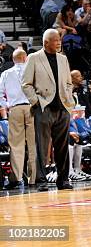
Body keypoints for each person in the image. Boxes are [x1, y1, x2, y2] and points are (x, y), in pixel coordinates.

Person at [22, 29, 75, 191]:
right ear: (46, 43)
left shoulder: (63, 59)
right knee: (42, 147)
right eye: (55, 40)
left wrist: (69, 99)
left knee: (63, 147)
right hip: (43, 108)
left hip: (63, 108)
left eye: (59, 40)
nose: (59, 42)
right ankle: (41, 180)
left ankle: (63, 180)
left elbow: (68, 83)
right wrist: (36, 102)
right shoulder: (34, 58)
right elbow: (26, 84)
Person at [0, 49, 37, 189]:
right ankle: (33, 178)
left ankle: (17, 178)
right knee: (33, 144)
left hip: (15, 109)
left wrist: (7, 106)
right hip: (31, 108)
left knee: (16, 145)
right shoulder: (32, 71)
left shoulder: (6, 73)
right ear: (25, 58)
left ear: (13, 59)